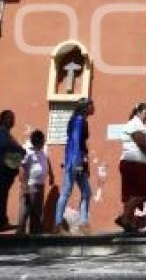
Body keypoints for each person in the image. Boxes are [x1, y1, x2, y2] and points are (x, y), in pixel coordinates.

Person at [53, 98, 94, 235]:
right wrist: (77, 163)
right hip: (74, 160)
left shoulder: (79, 120)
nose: (93, 108)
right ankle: (58, 223)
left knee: (86, 192)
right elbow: (76, 141)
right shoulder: (78, 120)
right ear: (86, 107)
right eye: (91, 105)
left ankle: (82, 222)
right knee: (67, 191)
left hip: (77, 159)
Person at [0, 110, 26, 235]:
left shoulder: (6, 133)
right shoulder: (0, 131)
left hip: (4, 170)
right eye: (9, 118)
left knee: (0, 196)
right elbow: (6, 146)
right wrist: (20, 149)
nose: (12, 120)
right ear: (2, 119)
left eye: (13, 118)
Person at [116, 102, 146, 233]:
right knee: (143, 192)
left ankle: (128, 222)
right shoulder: (135, 124)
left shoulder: (137, 125)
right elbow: (141, 142)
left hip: (132, 162)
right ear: (138, 112)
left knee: (130, 195)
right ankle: (124, 217)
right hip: (135, 163)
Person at [16, 129, 54, 235]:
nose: (43, 144)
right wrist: (24, 186)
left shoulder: (44, 149)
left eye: (43, 142)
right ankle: (19, 235)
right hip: (30, 185)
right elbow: (21, 168)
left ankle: (34, 234)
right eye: (41, 142)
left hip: (40, 184)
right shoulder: (26, 150)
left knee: (37, 211)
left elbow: (47, 160)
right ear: (35, 142)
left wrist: (51, 174)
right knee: (25, 212)